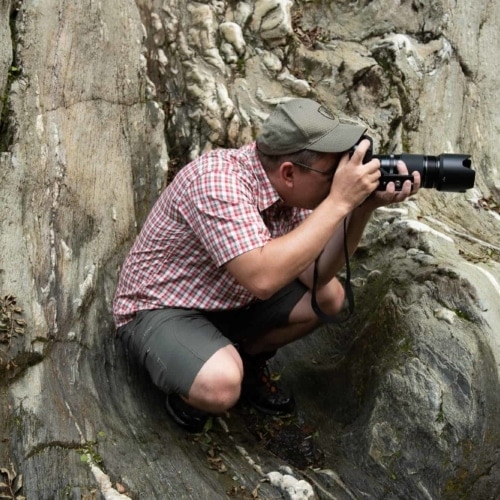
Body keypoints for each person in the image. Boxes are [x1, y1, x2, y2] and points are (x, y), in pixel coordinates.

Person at [113, 98, 420, 432]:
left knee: (330, 299)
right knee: (221, 384)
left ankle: (246, 357)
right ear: (289, 172)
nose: (339, 180)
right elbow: (263, 279)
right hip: (163, 308)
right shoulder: (217, 182)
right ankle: (190, 390)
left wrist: (361, 208)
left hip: (226, 298)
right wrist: (339, 201)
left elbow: (317, 276)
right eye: (332, 174)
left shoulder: (293, 190)